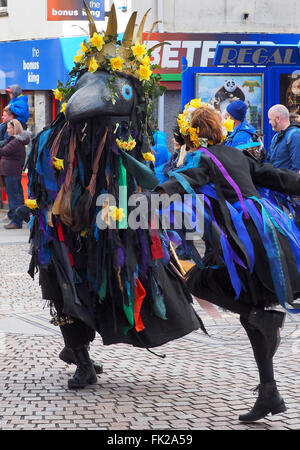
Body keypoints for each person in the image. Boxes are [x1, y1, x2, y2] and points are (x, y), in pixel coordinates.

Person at [25, 5, 204, 390]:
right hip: (65, 237)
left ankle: (84, 346)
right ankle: (82, 358)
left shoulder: (128, 150)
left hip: (113, 233)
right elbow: (45, 188)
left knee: (112, 281)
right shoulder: (51, 143)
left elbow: (142, 192)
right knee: (65, 287)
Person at [155, 101, 300, 422]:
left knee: (193, 279)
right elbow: (274, 176)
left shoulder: (202, 158)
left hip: (240, 241)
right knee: (255, 318)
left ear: (194, 136)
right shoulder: (239, 155)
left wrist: (154, 192)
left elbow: (186, 179)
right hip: (267, 235)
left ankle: (254, 317)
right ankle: (269, 392)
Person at [0, 119, 30, 229]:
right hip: (10, 172)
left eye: (9, 128)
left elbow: (3, 151)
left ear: (15, 129)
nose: (7, 130)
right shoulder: (13, 140)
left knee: (14, 198)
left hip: (11, 172)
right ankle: (16, 218)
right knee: (15, 196)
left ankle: (17, 221)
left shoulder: (16, 142)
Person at [267, 104, 300, 171]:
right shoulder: (276, 137)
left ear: (278, 118)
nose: (269, 122)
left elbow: (297, 167)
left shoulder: (295, 135)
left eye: (270, 119)